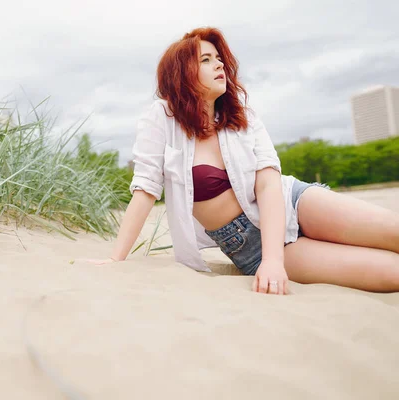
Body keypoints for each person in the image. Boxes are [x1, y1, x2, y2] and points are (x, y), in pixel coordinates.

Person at [86, 27, 399, 295]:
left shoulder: (241, 112)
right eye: (205, 60)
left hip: (290, 201)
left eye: (218, 58)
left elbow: (267, 181)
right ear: (181, 73)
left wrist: (274, 261)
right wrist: (117, 259)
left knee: (391, 229)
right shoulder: (162, 117)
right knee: (389, 271)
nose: (219, 64)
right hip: (249, 244)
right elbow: (145, 189)